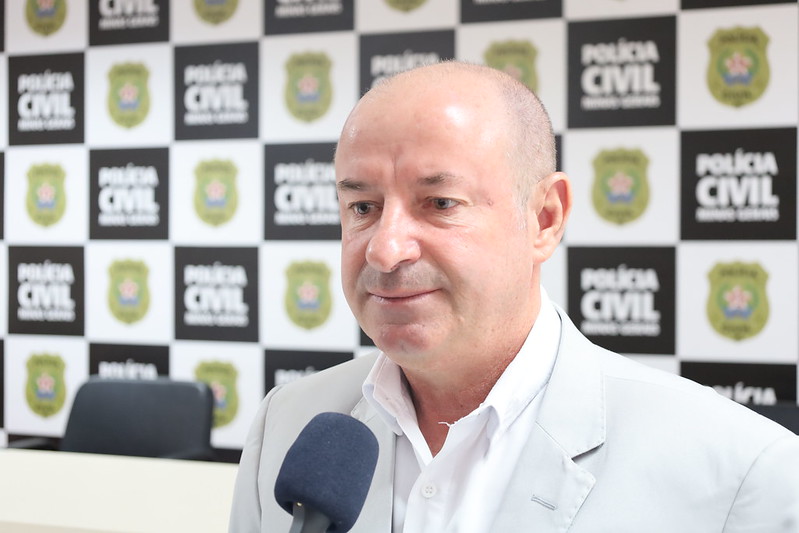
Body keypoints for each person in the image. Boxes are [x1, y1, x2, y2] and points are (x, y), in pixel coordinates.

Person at [230, 61, 799, 532]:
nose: (385, 249)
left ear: (545, 218)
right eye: (362, 207)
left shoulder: (743, 471)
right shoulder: (286, 422)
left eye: (440, 203)